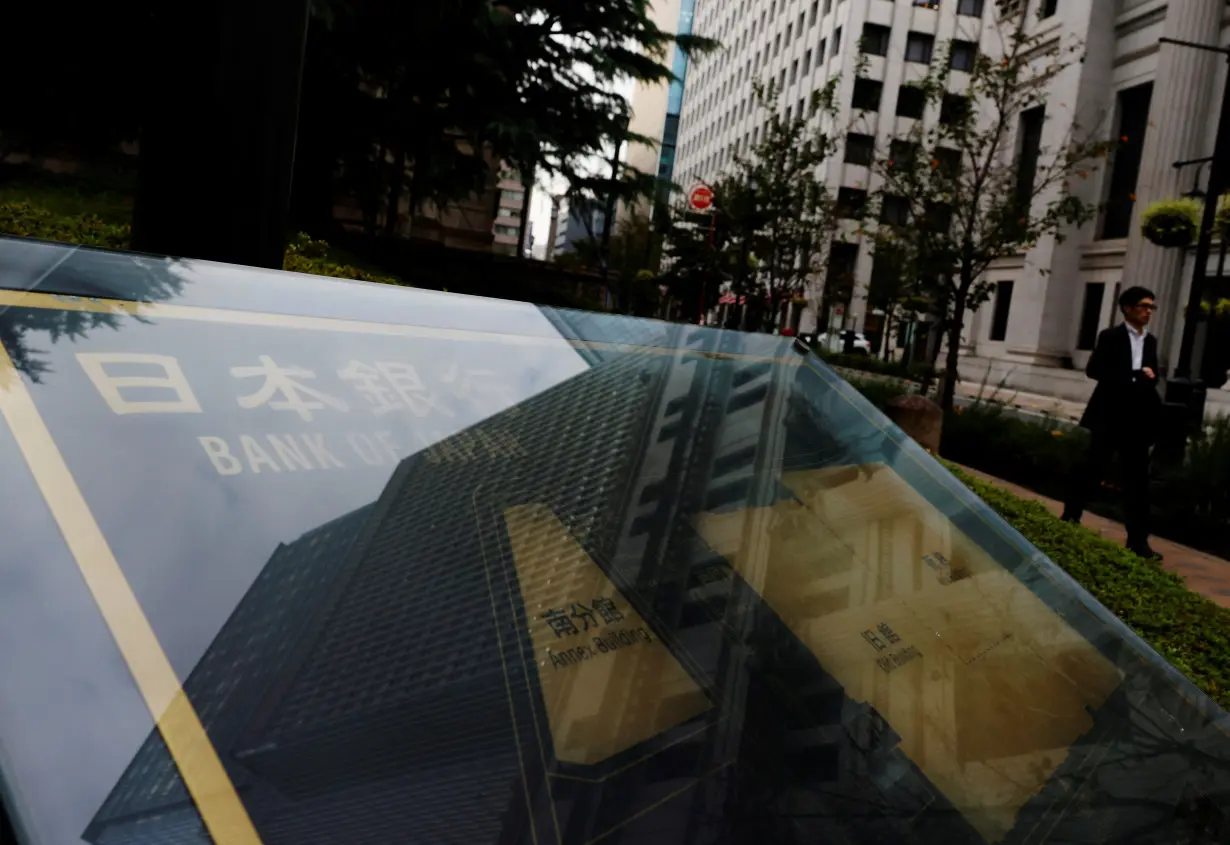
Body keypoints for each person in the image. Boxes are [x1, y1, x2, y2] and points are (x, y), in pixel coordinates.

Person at [1062, 286, 1163, 560]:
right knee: (1093, 469)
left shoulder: (1150, 340)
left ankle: (1138, 542)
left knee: (1138, 481)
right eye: (1143, 305)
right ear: (1128, 308)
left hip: (1137, 419)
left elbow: (1152, 374)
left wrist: (1151, 376)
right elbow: (1094, 370)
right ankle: (1070, 518)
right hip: (1110, 415)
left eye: (1151, 307)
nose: (1148, 311)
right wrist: (1132, 377)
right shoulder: (1111, 336)